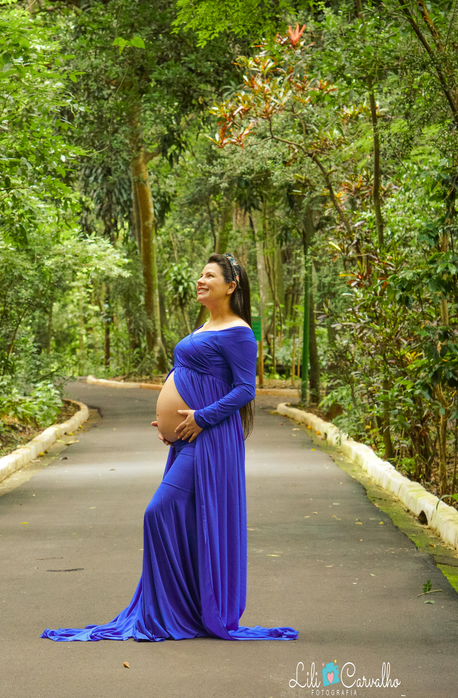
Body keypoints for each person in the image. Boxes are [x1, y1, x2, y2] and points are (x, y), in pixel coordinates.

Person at [41, 253, 299, 642]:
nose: (200, 279)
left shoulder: (240, 332)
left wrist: (200, 417)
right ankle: (184, 609)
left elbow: (247, 389)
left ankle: (171, 613)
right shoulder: (205, 326)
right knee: (186, 519)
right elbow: (185, 371)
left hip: (211, 438)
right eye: (200, 274)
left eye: (209, 275)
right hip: (188, 436)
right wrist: (169, 423)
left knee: (157, 513)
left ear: (231, 286)